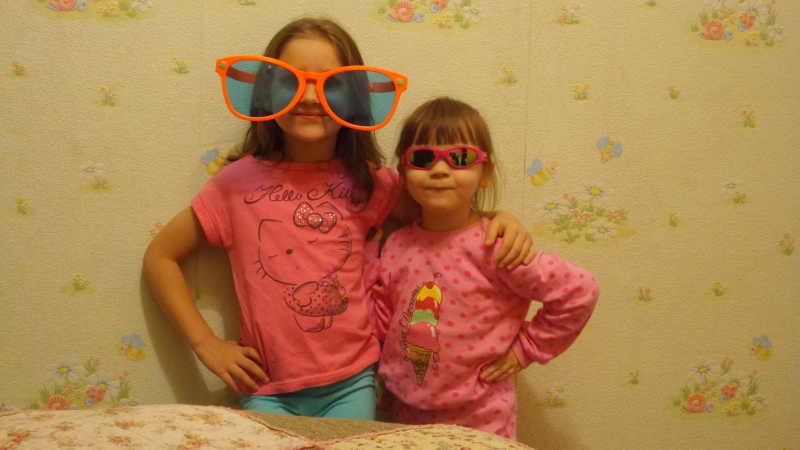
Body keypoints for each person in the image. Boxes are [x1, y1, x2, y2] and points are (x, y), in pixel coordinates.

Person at [143, 18, 534, 421]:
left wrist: (496, 217)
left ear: (354, 99)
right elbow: (160, 257)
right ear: (266, 92)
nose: (310, 96)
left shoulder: (372, 183)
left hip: (352, 381)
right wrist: (206, 344)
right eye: (292, 81)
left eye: (329, 83)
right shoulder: (235, 185)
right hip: (265, 387)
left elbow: (443, 215)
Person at [365, 97, 599, 439]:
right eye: (423, 158)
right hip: (407, 412)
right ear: (403, 171)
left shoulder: (496, 246)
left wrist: (525, 350)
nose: (439, 170)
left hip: (482, 418)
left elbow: (580, 291)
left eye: (460, 158)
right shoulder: (397, 244)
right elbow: (384, 322)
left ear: (485, 173)